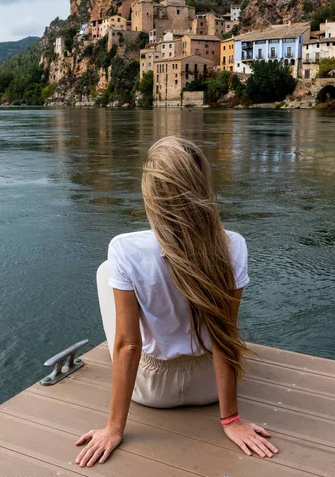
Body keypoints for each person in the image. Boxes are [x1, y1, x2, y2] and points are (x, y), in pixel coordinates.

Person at [75, 136, 278, 467]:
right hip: (209, 388)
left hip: (152, 392)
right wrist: (231, 420)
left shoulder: (125, 248)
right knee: (219, 321)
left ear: (151, 194)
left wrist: (113, 428)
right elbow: (224, 339)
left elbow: (128, 346)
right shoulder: (235, 245)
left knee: (109, 279)